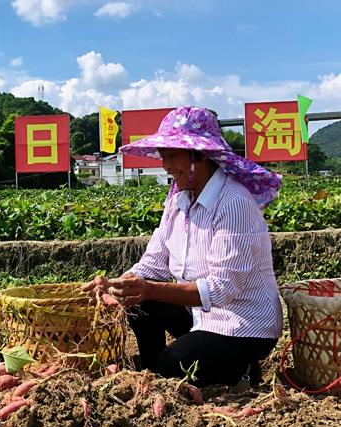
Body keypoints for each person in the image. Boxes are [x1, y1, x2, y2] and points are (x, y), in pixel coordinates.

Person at [83, 106, 283, 387]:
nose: (166, 165)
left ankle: (242, 369)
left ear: (200, 155)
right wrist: (117, 285)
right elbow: (153, 263)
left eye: (172, 155)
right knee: (139, 304)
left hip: (243, 324)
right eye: (164, 155)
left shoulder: (234, 203)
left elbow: (222, 290)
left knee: (173, 360)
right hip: (201, 316)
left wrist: (150, 288)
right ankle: (156, 379)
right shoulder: (178, 199)